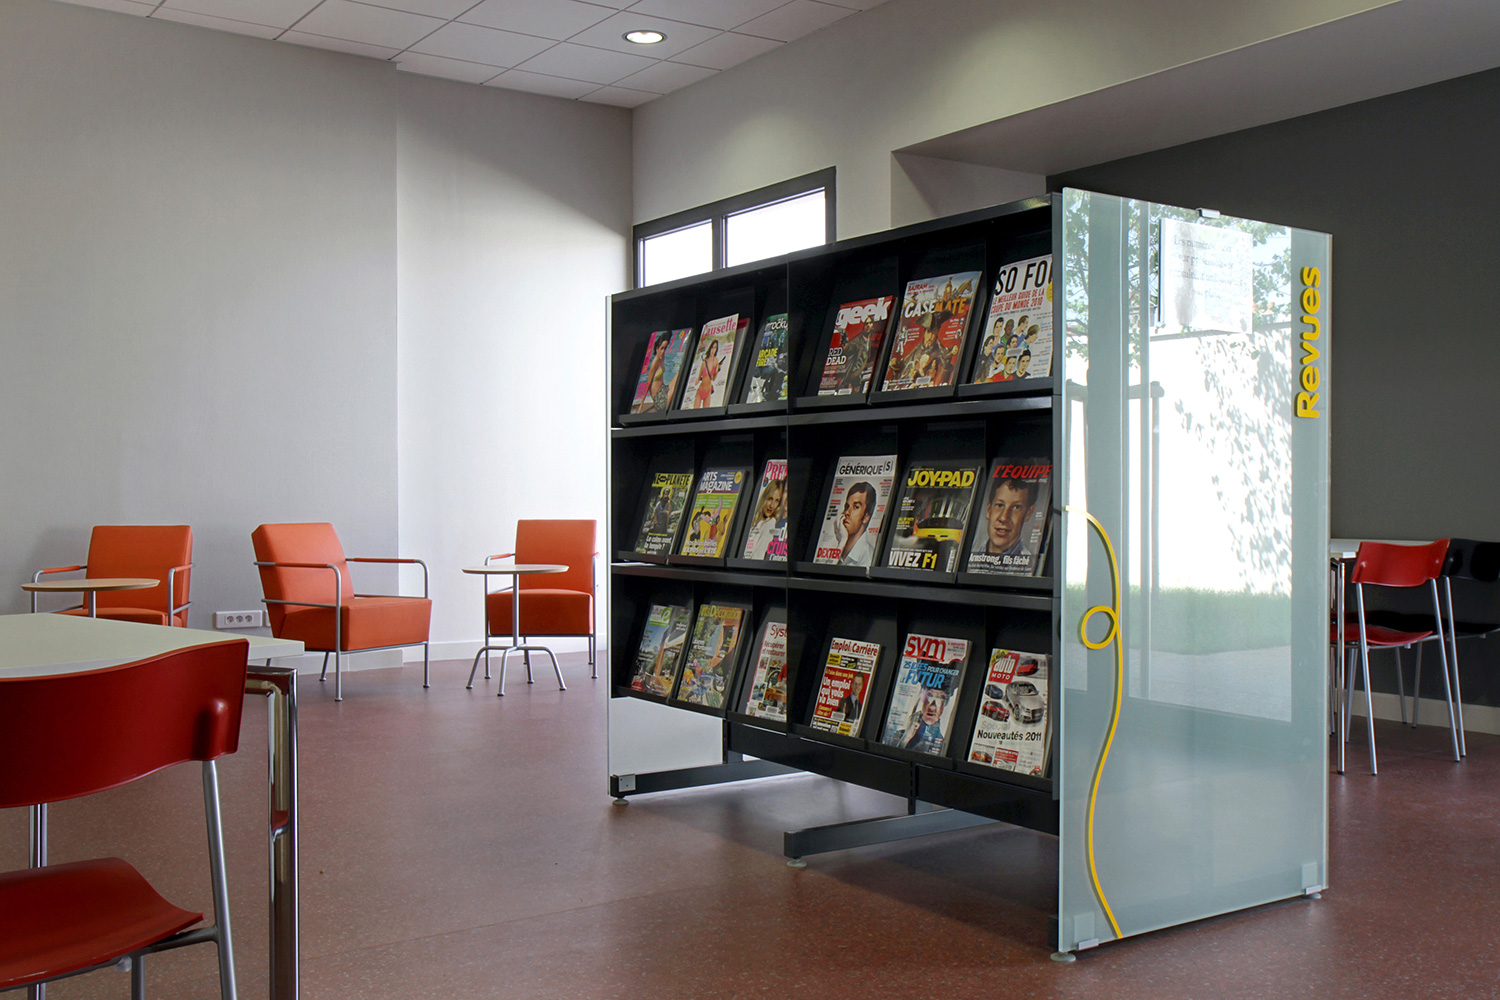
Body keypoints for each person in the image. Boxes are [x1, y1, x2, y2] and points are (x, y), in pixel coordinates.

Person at [983, 473, 1040, 563]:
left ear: (1028, 513)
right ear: (988, 509)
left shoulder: (1031, 564)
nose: (1004, 518)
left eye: (1016, 507)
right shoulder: (970, 556)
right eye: (1000, 505)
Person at [898, 673, 953, 753]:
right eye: (930, 695)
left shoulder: (946, 741)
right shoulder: (901, 734)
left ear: (946, 703)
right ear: (922, 696)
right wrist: (906, 737)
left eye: (940, 697)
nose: (933, 706)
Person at [742, 478, 786, 559]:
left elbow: (757, 557)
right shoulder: (753, 516)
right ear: (764, 497)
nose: (772, 505)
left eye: (777, 501)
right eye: (770, 499)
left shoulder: (770, 524)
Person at [838, 481, 879, 566]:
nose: (847, 512)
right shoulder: (840, 546)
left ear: (866, 517)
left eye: (856, 507)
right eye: (847, 506)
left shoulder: (867, 557)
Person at [692, 338, 721, 408]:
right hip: (700, 390)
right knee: (694, 411)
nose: (713, 350)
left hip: (708, 390)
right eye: (712, 348)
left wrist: (717, 370)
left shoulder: (715, 361)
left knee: (706, 411)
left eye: (715, 348)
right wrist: (694, 382)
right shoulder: (704, 362)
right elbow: (699, 377)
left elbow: (713, 379)